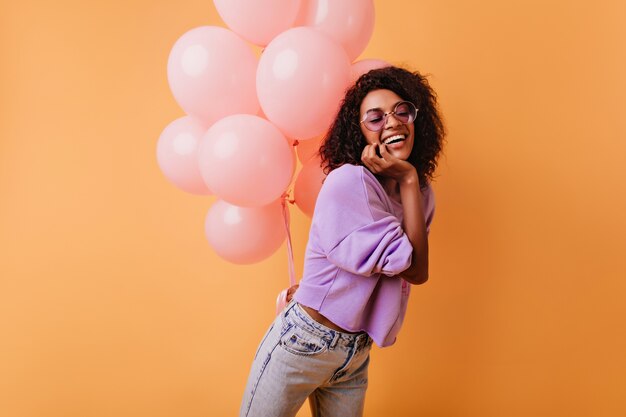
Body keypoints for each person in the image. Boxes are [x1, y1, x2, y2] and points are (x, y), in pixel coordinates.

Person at [239, 66, 445, 417]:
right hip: (304, 341)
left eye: (401, 111)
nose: (392, 122)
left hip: (354, 353)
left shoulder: (421, 194)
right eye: (375, 118)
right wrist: (409, 181)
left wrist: (410, 181)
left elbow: (419, 273)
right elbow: (407, 264)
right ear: (359, 133)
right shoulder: (348, 183)